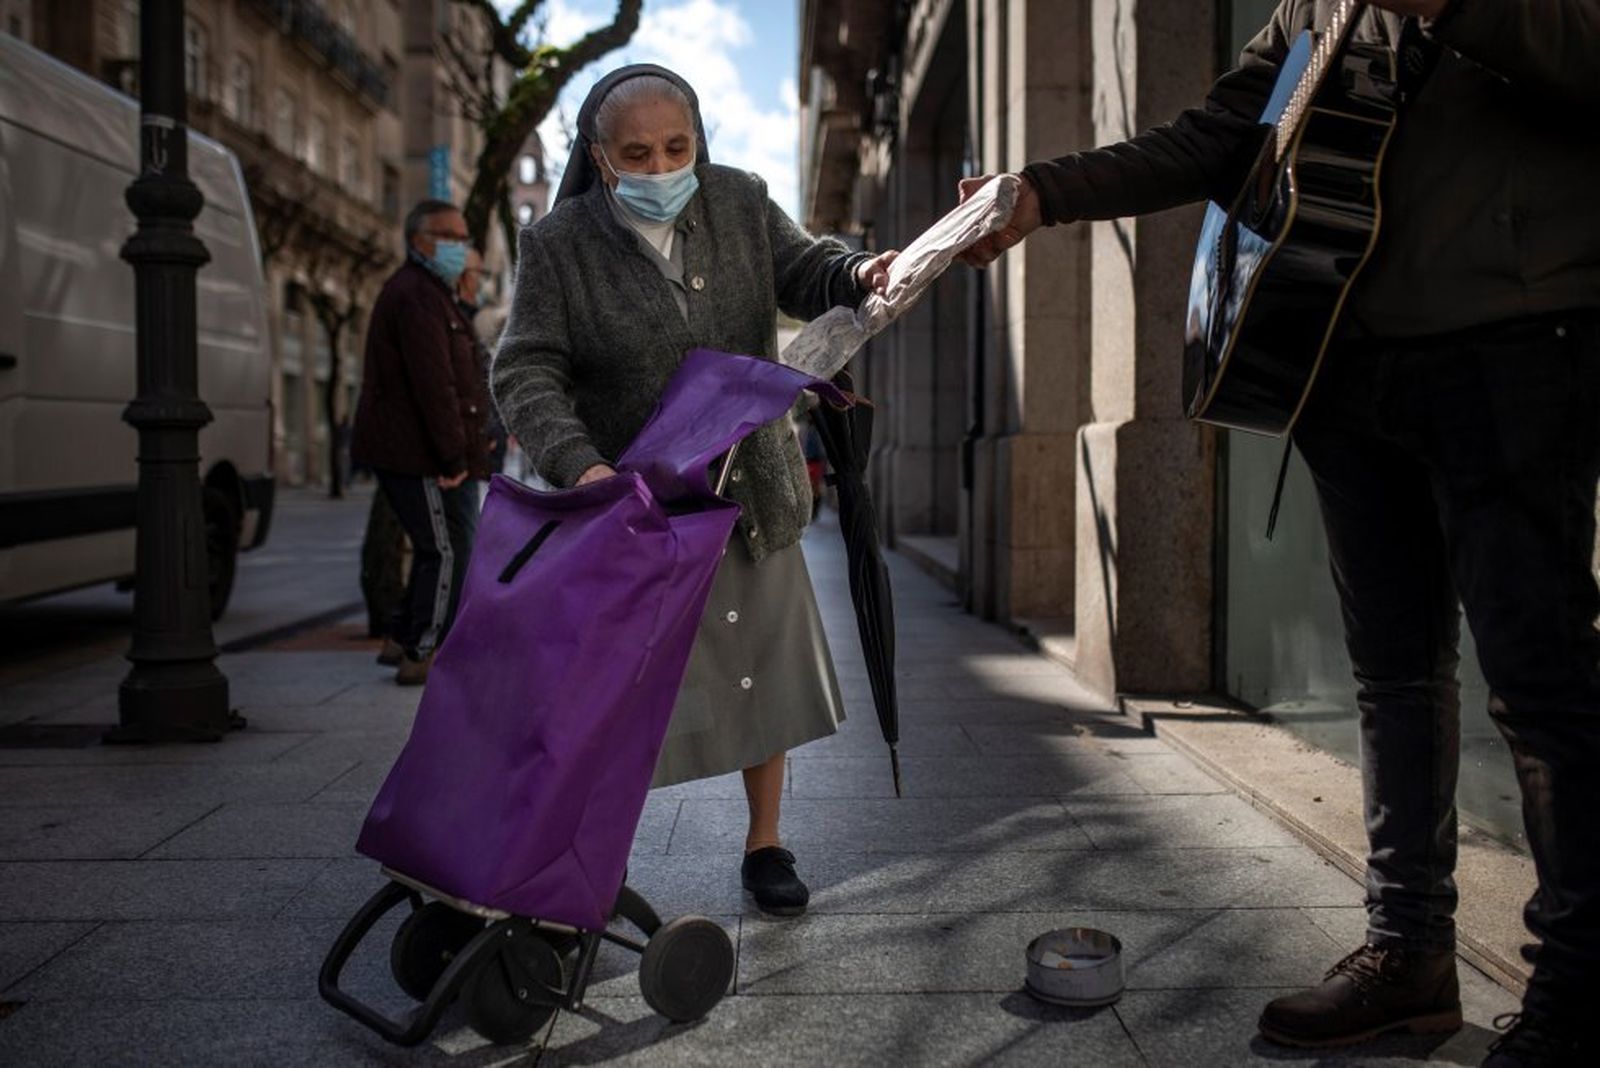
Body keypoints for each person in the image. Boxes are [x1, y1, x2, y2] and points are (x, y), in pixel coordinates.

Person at [962, 3, 1598, 1063]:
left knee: (1541, 685)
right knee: (1395, 676)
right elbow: (1222, 134)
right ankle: (1408, 955)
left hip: (1520, 341)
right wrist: (1040, 193)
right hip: (1342, 358)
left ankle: (1576, 986)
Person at [492, 65, 896, 917]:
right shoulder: (558, 245)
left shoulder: (741, 202)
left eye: (676, 147)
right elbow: (526, 369)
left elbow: (807, 268)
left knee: (763, 674)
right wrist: (579, 464)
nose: (660, 166)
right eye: (636, 154)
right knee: (626, 698)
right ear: (601, 159)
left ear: (698, 139)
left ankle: (766, 843)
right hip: (639, 512)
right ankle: (596, 855)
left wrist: (860, 272)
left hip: (753, 490)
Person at [351, 200, 492, 685]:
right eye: (450, 236)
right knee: (443, 551)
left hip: (425, 449)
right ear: (419, 240)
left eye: (464, 236)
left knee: (441, 546)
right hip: (418, 452)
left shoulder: (432, 293)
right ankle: (422, 650)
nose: (462, 246)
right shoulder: (416, 296)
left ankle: (404, 637)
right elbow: (434, 385)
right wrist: (452, 454)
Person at [456, 246, 508, 478]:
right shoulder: (454, 324)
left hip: (478, 455)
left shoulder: (466, 323)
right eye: (479, 273)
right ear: (462, 277)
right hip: (465, 457)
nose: (481, 282)